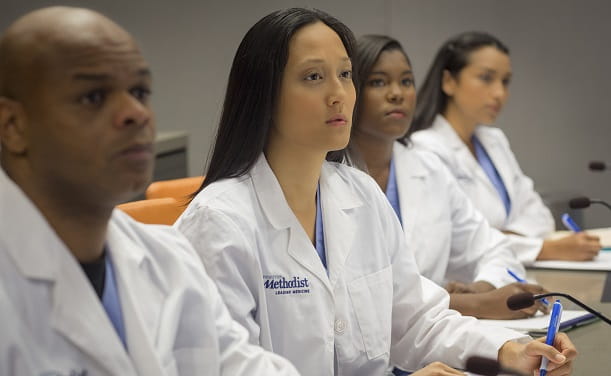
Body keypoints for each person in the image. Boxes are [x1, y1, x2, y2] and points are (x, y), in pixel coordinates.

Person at [175, 8, 576, 376]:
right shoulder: (218, 223)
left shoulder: (360, 195)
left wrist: (509, 349)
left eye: (346, 74)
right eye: (314, 77)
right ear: (264, 94)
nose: (339, 93)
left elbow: (416, 320)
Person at [0, 7, 299, 376]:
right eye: (93, 96)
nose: (136, 113)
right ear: (12, 125)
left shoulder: (167, 259)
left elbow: (239, 367)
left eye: (139, 91)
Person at [348, 34, 548, 320]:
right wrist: (476, 304)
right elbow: (360, 298)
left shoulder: (426, 168)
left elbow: (494, 247)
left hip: (436, 341)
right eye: (378, 82)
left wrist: (483, 287)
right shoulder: (327, 178)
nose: (397, 93)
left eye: (406, 81)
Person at [410, 31, 601, 263]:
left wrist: (502, 238)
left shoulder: (494, 141)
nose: (500, 93)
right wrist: (542, 249)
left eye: (505, 81)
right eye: (486, 78)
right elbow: (454, 242)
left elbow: (539, 215)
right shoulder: (425, 149)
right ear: (449, 82)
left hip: (510, 270)